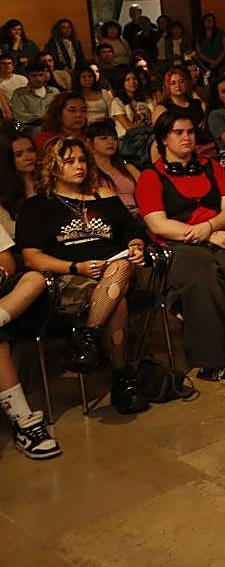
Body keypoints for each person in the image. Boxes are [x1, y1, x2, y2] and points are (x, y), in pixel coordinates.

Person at [136, 111, 225, 386]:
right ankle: (212, 361)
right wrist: (203, 235)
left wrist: (211, 227)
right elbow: (158, 224)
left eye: (190, 132)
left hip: (221, 234)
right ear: (164, 139)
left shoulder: (212, 167)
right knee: (202, 279)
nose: (186, 137)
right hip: (178, 244)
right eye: (178, 133)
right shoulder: (150, 176)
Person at [17, 137, 148, 414]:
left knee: (122, 266)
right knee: (118, 303)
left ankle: (87, 338)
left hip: (117, 271)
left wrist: (136, 246)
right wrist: (76, 268)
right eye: (69, 161)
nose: (79, 166)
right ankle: (123, 377)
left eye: (82, 160)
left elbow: (133, 234)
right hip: (69, 279)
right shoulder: (36, 206)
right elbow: (31, 257)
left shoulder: (105, 197)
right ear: (52, 166)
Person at [0, 225, 61, 459]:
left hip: (6, 301)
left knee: (35, 279)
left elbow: (6, 257)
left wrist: (1, 270)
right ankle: (25, 423)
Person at [87, 120, 140, 212]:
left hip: (137, 215)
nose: (111, 142)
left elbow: (148, 192)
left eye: (114, 138)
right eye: (104, 138)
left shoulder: (128, 168)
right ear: (90, 142)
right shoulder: (87, 171)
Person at [0, 131, 37, 237]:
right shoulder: (3, 193)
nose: (28, 157)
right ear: (7, 159)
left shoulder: (47, 182)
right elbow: (11, 231)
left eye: (31, 150)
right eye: (19, 154)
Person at [11, 62, 59, 131]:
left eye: (41, 75)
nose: (38, 78)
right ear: (27, 76)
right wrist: (40, 119)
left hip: (51, 123)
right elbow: (19, 115)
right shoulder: (19, 93)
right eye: (34, 76)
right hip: (25, 125)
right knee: (37, 130)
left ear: (45, 76)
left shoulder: (54, 92)